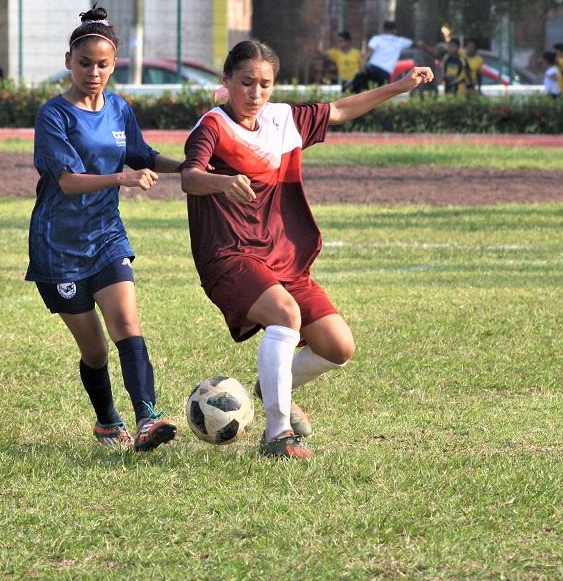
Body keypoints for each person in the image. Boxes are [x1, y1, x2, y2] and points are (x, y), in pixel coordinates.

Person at [179, 39, 434, 459]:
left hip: (282, 257)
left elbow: (340, 109)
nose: (255, 93)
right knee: (286, 316)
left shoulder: (284, 119)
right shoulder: (213, 126)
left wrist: (399, 86)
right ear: (227, 81)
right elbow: (190, 177)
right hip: (228, 254)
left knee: (338, 346)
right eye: (246, 83)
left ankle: (270, 385)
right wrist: (223, 182)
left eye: (265, 84)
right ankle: (277, 435)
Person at [25, 6, 181, 452]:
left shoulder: (118, 109)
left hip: (107, 236)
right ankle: (107, 421)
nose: (93, 72)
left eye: (103, 65)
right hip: (58, 248)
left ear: (114, 65)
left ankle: (148, 419)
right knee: (94, 351)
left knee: (127, 324)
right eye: (85, 63)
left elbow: (144, 156)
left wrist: (190, 167)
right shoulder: (54, 115)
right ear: (68, 61)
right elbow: (69, 181)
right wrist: (122, 178)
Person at [347, 20, 414, 92]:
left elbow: (368, 53)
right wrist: (426, 48)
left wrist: (362, 65)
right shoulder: (401, 41)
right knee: (379, 95)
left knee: (358, 87)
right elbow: (416, 44)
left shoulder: (376, 39)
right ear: (395, 30)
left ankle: (349, 92)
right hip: (384, 73)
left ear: (383, 29)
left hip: (371, 68)